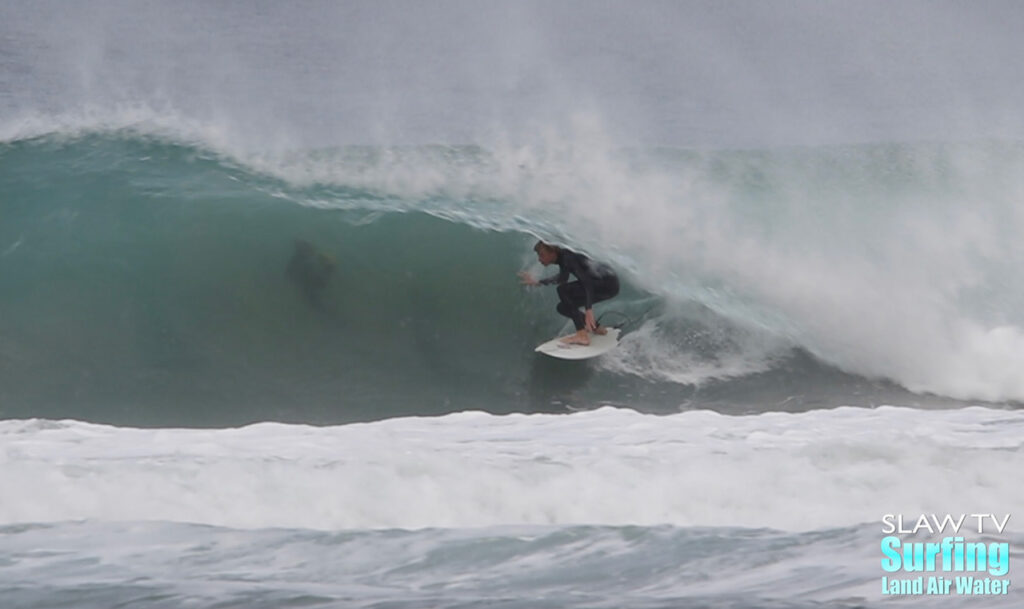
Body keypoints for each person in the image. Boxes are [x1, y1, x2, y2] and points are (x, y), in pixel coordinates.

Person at [518, 241, 620, 345]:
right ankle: (597, 328)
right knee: (563, 307)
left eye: (542, 255)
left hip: (607, 282)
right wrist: (538, 282)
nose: (539, 259)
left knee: (562, 290)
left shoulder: (567, 258)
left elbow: (586, 282)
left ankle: (581, 335)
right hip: (606, 286)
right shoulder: (563, 259)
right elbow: (561, 278)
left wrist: (588, 308)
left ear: (553, 252)